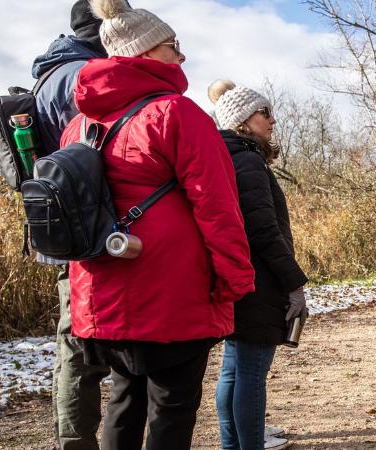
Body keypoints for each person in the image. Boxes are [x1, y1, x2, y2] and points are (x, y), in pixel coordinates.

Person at [58, 1, 255, 449]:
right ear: (143, 53)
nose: (181, 57)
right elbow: (219, 208)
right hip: (172, 299)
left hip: (99, 298)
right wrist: (235, 280)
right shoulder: (176, 114)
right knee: (171, 410)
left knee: (123, 403)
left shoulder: (80, 125)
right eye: (173, 46)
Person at [208, 79, 309, 450]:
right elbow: (263, 231)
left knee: (233, 370)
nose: (272, 120)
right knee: (249, 373)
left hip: (239, 280)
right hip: (258, 283)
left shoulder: (228, 156)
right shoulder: (247, 160)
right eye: (264, 112)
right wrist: (293, 282)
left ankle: (231, 446)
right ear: (242, 119)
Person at [30, 2, 111, 448]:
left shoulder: (52, 70)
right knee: (80, 344)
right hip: (84, 232)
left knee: (77, 341)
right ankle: (76, 442)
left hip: (62, 228)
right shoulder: (82, 75)